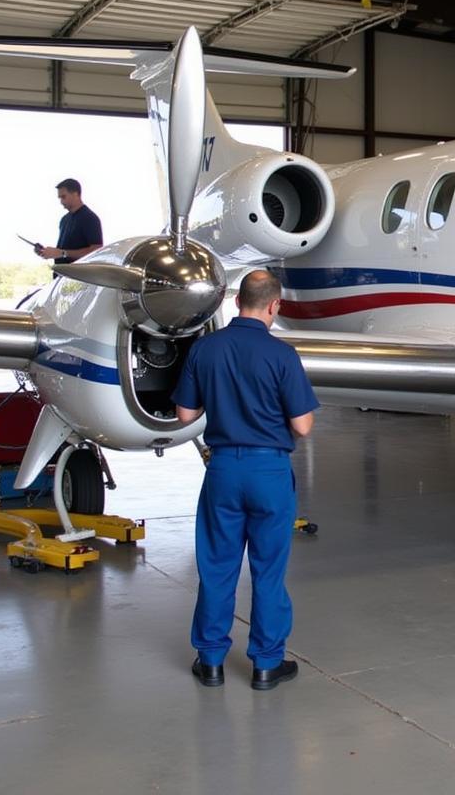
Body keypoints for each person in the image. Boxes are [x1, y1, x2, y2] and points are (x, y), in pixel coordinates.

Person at [173, 270, 318, 690]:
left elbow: (185, 415)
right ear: (275, 305)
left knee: (217, 568)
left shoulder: (206, 349)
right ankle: (266, 665)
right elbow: (303, 426)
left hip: (223, 471)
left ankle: (212, 661)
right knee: (268, 571)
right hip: (269, 471)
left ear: (237, 301)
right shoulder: (283, 355)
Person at [36, 178, 103, 265]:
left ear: (76, 194)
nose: (61, 201)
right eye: (59, 198)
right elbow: (61, 251)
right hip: (62, 275)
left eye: (63, 197)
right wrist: (47, 252)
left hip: (78, 276)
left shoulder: (90, 218)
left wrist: (63, 253)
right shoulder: (64, 220)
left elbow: (97, 251)